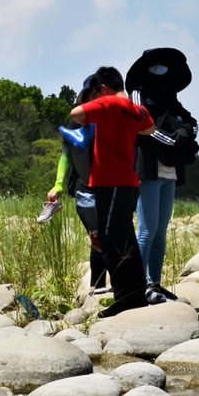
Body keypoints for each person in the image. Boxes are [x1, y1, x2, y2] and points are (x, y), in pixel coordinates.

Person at [69, 66, 154, 316]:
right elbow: (148, 128)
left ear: (104, 88)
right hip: (128, 182)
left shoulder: (108, 104)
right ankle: (136, 294)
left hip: (112, 182)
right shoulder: (137, 109)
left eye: (96, 91)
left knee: (109, 239)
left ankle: (124, 297)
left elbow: (76, 113)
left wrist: (101, 106)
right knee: (125, 236)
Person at [125, 47, 198, 304]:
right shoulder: (138, 93)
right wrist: (172, 141)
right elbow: (142, 124)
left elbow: (190, 121)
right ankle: (136, 285)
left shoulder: (171, 98)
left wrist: (186, 133)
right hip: (148, 165)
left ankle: (154, 282)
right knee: (147, 228)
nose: (160, 68)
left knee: (161, 230)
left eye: (164, 64)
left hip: (170, 169)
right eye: (155, 64)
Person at [42, 75, 107, 295]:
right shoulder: (76, 122)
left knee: (108, 236)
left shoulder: (112, 120)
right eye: (94, 93)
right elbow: (65, 156)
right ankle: (98, 286)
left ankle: (98, 286)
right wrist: (58, 184)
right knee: (96, 234)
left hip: (110, 187)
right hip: (84, 188)